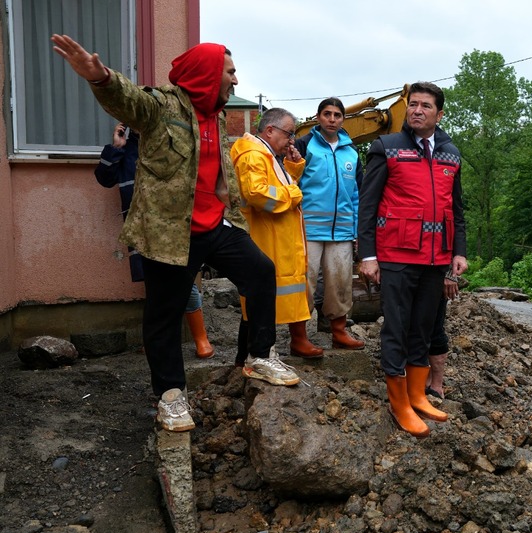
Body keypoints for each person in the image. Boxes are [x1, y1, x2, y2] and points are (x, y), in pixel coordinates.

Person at [52, 33, 298, 434]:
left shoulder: (217, 113)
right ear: (208, 73)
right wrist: (100, 79)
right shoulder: (162, 105)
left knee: (260, 272)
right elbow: (128, 100)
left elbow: (214, 164)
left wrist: (226, 195)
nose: (236, 80)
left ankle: (258, 355)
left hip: (216, 223)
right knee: (164, 314)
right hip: (171, 232)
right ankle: (169, 395)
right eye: (230, 72)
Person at [357, 82, 468, 437]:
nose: (417, 110)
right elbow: (368, 206)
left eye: (425, 106)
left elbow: (457, 209)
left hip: (436, 258)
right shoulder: (386, 147)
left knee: (422, 327)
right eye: (413, 104)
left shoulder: (451, 153)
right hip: (397, 255)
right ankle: (399, 403)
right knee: (397, 328)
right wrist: (368, 255)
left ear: (440, 113)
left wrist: (459, 251)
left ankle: (418, 395)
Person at [96, 123, 215, 359]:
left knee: (184, 279)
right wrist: (116, 147)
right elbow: (104, 178)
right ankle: (157, 341)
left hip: (173, 225)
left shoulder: (169, 145)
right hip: (141, 228)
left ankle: (201, 339)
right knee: (153, 283)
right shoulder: (126, 149)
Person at [230, 108, 323, 361]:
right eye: (289, 134)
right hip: (267, 238)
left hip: (275, 237)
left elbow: (275, 185)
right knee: (259, 300)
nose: (291, 140)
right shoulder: (253, 155)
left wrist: (292, 167)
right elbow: (258, 194)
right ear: (270, 131)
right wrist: (294, 195)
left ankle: (252, 357)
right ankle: (256, 357)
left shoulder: (266, 155)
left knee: (261, 300)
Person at [293, 98, 365, 350]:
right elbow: (292, 183)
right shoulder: (304, 146)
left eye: (337, 115)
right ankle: (299, 337)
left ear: (343, 119)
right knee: (305, 282)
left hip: (342, 232)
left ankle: (339, 332)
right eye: (327, 114)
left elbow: (357, 194)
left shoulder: (352, 152)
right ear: (318, 117)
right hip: (308, 230)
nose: (332, 119)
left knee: (340, 283)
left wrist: (357, 231)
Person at [425, 275, 460, 399]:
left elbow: (456, 255)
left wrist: (450, 275)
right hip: (409, 272)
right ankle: (425, 378)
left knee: (435, 328)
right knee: (416, 330)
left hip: (436, 273)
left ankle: (437, 386)